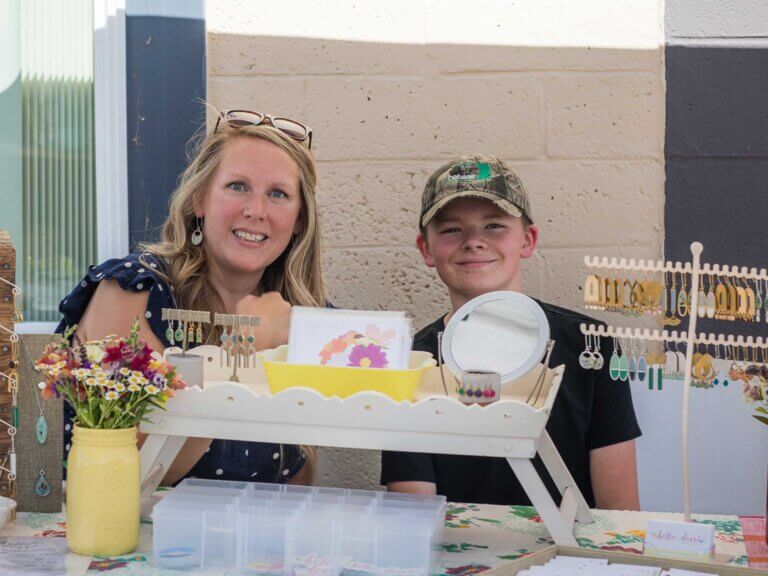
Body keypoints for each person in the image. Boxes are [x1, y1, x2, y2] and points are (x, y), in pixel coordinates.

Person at [57, 109, 324, 485]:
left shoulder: (306, 322)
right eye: (237, 186)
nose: (255, 211)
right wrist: (246, 355)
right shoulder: (130, 291)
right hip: (133, 538)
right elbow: (123, 474)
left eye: (278, 194)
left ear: (299, 221)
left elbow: (294, 483)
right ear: (200, 199)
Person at [380, 155, 641, 510]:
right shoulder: (409, 363)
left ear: (527, 240)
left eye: (494, 226)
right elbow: (415, 518)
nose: (473, 241)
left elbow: (620, 513)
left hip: (571, 558)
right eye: (451, 229)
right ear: (426, 249)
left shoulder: (591, 344)